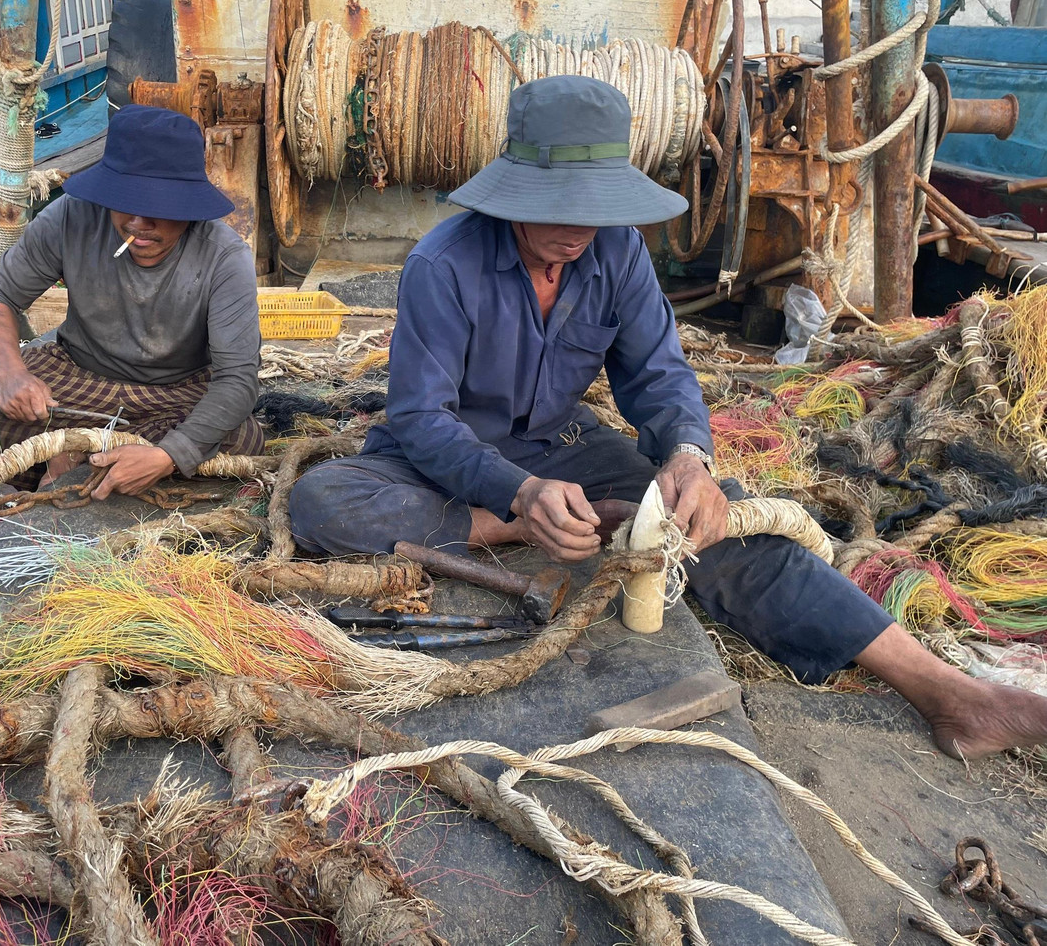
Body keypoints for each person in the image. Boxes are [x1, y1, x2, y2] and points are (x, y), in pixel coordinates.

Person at [287, 75, 1047, 761]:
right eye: (554, 205)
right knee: (323, 501)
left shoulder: (617, 256)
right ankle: (523, 532)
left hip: (564, 448)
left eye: (595, 207)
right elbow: (421, 418)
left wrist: (689, 456)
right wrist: (519, 501)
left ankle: (945, 690)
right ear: (512, 190)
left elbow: (658, 375)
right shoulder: (440, 265)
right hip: (442, 459)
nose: (575, 227)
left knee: (719, 517)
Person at [0, 105, 263, 500]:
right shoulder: (72, 217)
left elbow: (237, 378)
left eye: (161, 209)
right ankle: (71, 463)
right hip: (76, 376)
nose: (139, 224)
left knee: (240, 441)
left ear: (190, 207)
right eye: (125, 201)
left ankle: (74, 461)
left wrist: (168, 455)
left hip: (177, 390)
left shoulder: (224, 256)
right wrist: (12, 374)